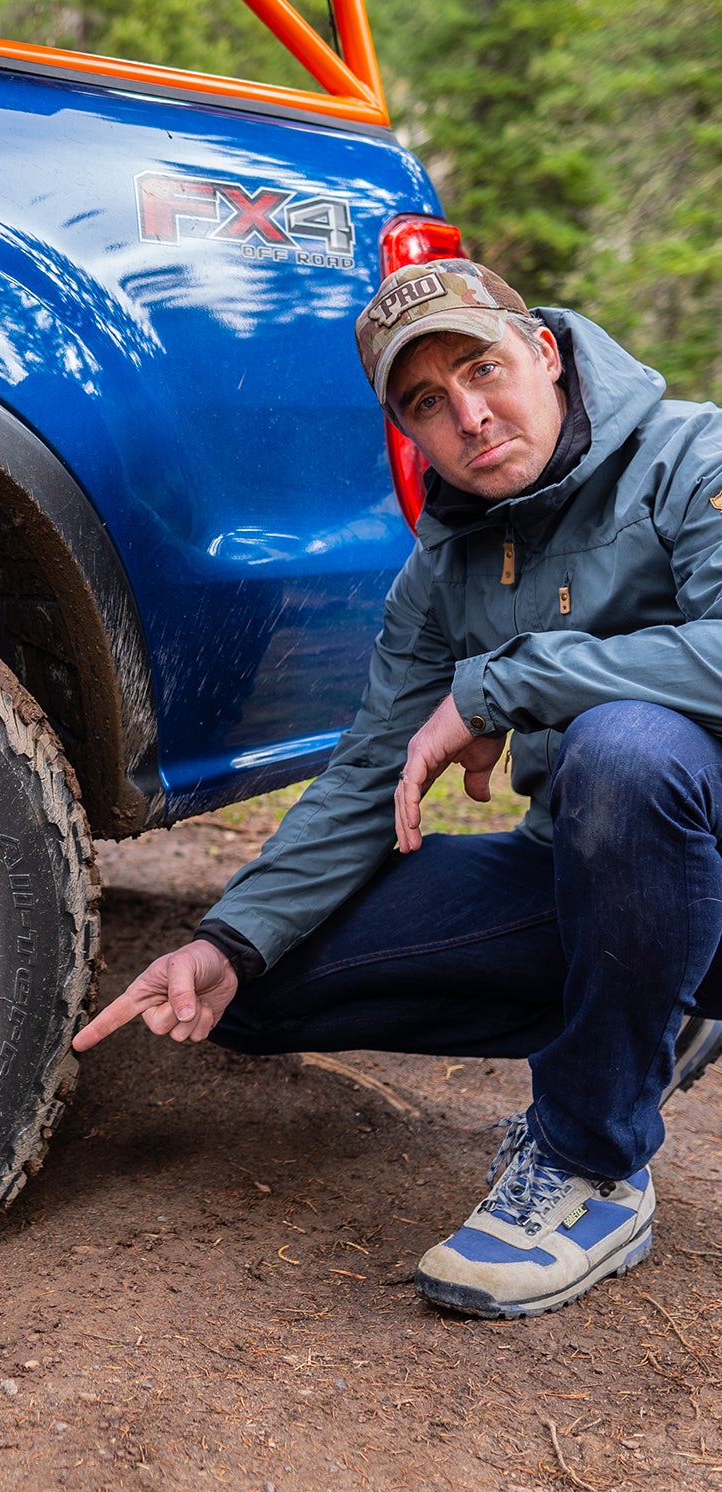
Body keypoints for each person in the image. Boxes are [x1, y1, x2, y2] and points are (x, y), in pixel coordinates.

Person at [74, 258, 722, 1319]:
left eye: (485, 369)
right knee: (257, 990)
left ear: (546, 353)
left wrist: (509, 682)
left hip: (695, 842)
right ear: (408, 431)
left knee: (627, 748)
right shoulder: (446, 569)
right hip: (601, 874)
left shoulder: (694, 455)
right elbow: (375, 767)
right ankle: (645, 1004)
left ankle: (593, 1160)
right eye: (427, 402)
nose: (469, 415)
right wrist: (228, 939)